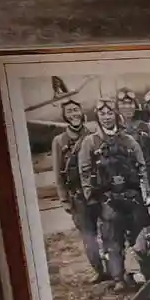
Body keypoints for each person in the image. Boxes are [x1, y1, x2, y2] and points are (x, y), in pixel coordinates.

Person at [77, 99, 148, 289]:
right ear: (97, 116)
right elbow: (85, 171)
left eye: (110, 113)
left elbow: (142, 167)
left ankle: (136, 273)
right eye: (102, 114)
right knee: (112, 238)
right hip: (106, 198)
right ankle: (118, 278)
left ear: (115, 115)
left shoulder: (128, 140)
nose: (106, 117)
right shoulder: (90, 142)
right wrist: (91, 196)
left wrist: (144, 193)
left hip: (131, 195)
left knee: (136, 236)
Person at [51, 99, 103, 280]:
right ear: (64, 116)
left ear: (82, 113)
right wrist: (64, 199)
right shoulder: (59, 141)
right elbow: (58, 173)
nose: (74, 114)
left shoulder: (93, 134)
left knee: (107, 232)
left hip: (97, 192)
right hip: (78, 197)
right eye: (70, 111)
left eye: (76, 110)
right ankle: (100, 271)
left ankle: (115, 270)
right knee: (88, 236)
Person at [117, 88, 150, 195]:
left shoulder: (149, 128)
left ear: (135, 105)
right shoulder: (114, 131)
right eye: (123, 104)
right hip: (125, 185)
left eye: (130, 103)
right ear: (117, 107)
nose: (128, 107)